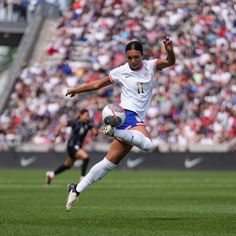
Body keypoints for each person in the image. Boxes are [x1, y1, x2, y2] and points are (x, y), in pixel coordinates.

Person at [65, 36, 175, 211]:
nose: (132, 60)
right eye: (129, 57)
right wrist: (77, 90)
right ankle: (113, 132)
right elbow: (97, 84)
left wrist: (169, 50)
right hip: (127, 115)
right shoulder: (121, 71)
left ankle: (76, 189)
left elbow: (170, 62)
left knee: (109, 163)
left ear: (142, 55)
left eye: (136, 57)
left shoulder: (151, 66)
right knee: (146, 144)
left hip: (133, 120)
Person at [46, 109, 98, 184]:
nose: (87, 117)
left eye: (88, 116)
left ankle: (51, 174)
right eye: (86, 115)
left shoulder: (88, 124)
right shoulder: (75, 122)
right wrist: (55, 136)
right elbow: (61, 126)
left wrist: (96, 130)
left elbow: (95, 133)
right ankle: (82, 178)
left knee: (67, 165)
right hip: (72, 145)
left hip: (77, 147)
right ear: (81, 115)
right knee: (86, 157)